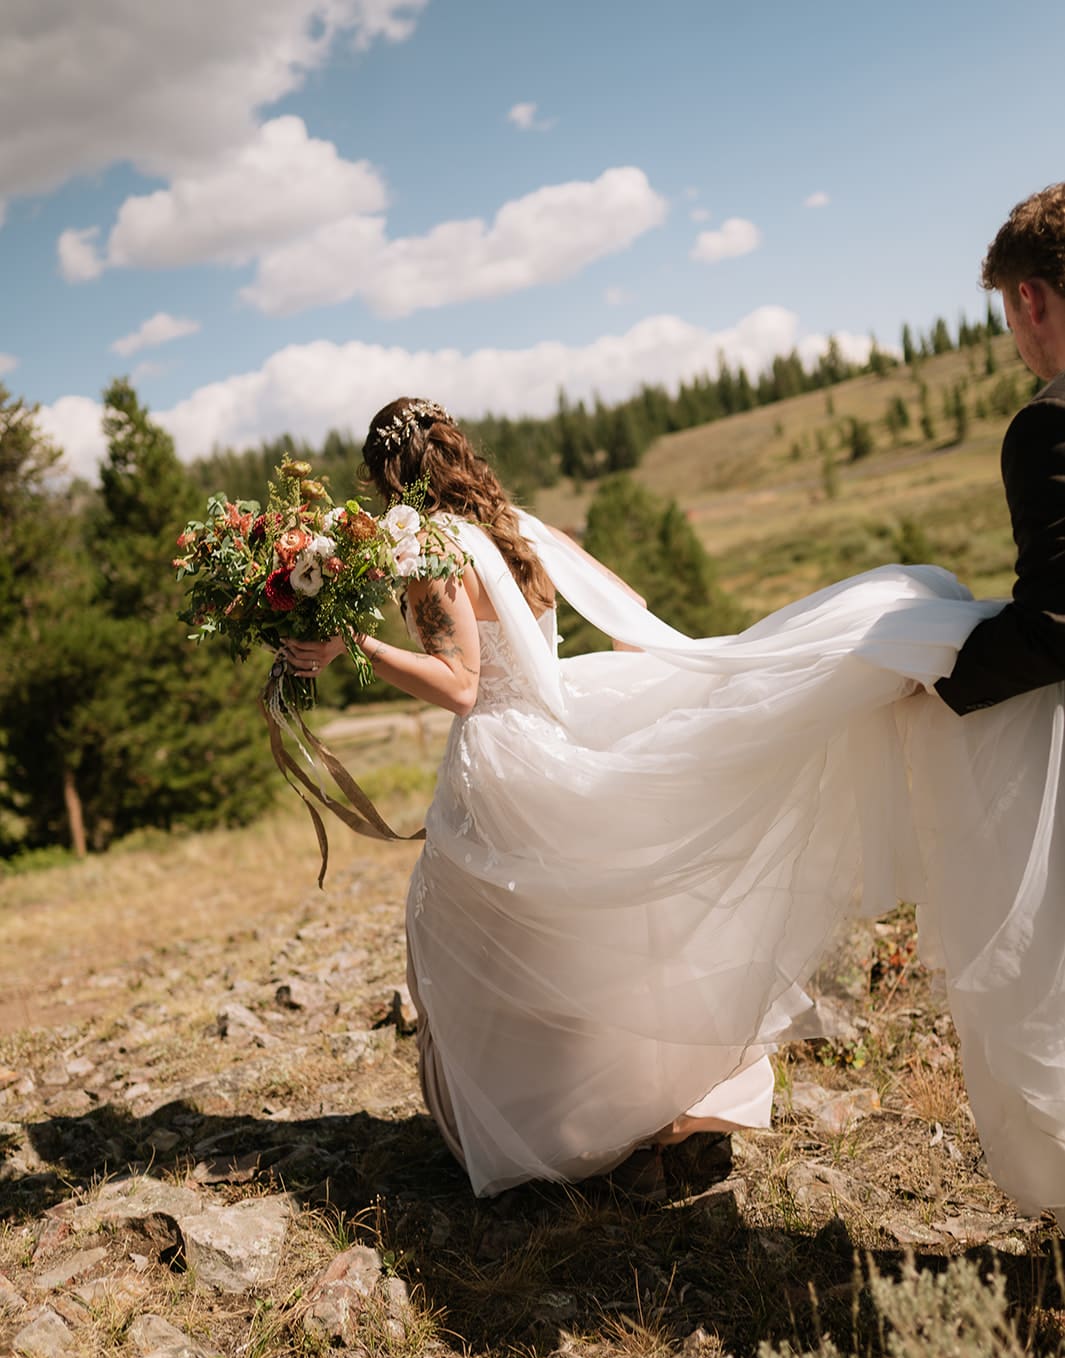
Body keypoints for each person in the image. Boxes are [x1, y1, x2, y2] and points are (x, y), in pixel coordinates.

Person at [285, 277, 1065, 1219]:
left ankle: (559, 1133)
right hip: (559, 723)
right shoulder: (521, 529)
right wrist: (677, 685)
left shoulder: (435, 545)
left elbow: (460, 686)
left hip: (502, 762)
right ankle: (651, 1111)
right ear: (456, 447)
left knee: (488, 948)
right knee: (607, 937)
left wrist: (353, 649)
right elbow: (627, 615)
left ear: (388, 478)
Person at [936, 182, 1065, 713]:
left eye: (1008, 311)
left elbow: (1056, 625)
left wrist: (930, 680)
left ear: (1030, 300)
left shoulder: (1051, 423)